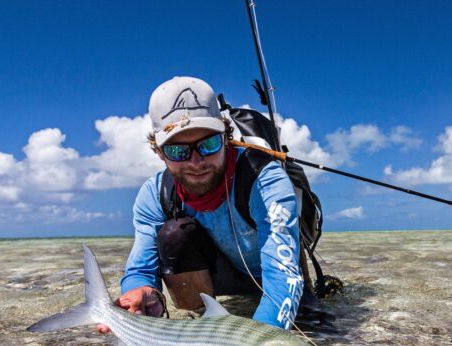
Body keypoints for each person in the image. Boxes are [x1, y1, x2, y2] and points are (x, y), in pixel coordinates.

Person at [108, 76, 305, 331]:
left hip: (275, 275)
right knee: (174, 235)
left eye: (209, 144)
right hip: (220, 278)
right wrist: (141, 292)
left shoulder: (265, 181)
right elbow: (140, 269)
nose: (196, 162)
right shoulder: (154, 194)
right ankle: (203, 329)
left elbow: (282, 276)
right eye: (178, 151)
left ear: (226, 137)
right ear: (159, 152)